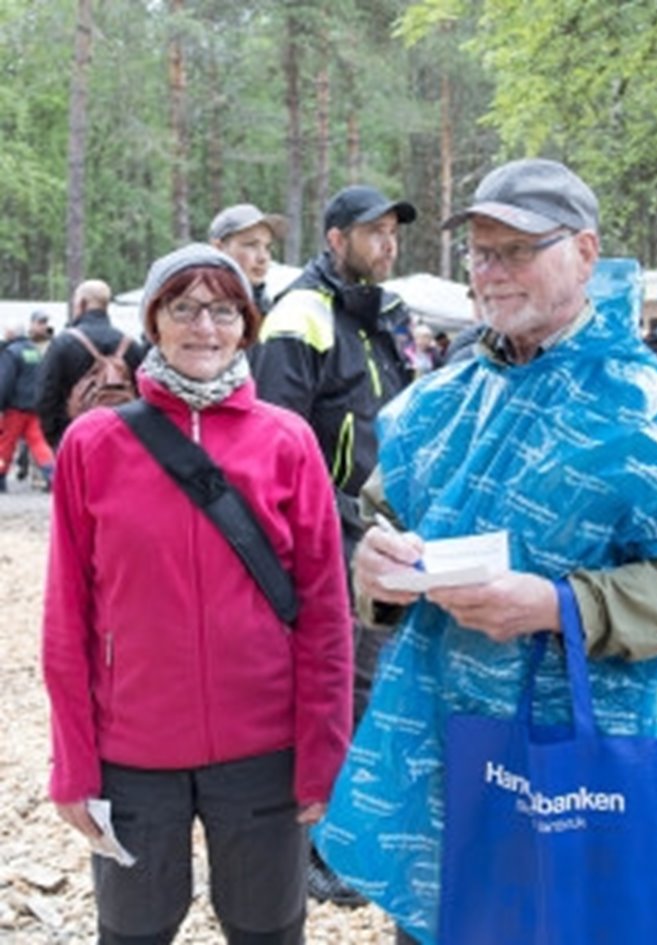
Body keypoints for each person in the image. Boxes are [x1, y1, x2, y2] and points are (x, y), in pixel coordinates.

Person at [320, 157, 657, 944]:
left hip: (591, 770)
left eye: (517, 250)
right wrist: (376, 571)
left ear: (585, 251)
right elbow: (381, 530)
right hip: (452, 757)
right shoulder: (441, 402)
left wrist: (561, 605)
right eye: (480, 252)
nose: (492, 273)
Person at [42, 244, 353, 945]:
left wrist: (323, 751)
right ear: (154, 320)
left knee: (267, 925)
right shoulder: (93, 446)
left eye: (222, 309)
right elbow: (68, 617)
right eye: (183, 307)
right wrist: (73, 761)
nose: (203, 327)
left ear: (247, 324)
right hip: (134, 750)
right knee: (134, 928)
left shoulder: (289, 442)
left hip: (264, 747)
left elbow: (326, 616)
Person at [250, 182, 415, 906]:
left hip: (386, 526)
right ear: (335, 238)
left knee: (376, 683)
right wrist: (313, 529)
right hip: (330, 529)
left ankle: (355, 829)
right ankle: (318, 846)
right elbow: (275, 437)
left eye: (393, 232)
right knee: (337, 684)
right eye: (373, 231)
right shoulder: (299, 314)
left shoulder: (386, 313)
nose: (388, 243)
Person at [37, 279, 145, 451]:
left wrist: (57, 440)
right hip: (122, 440)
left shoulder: (63, 343)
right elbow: (144, 395)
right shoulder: (132, 346)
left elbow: (46, 396)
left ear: (81, 304)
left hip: (76, 439)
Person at [0, 311, 56, 491]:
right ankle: (53, 476)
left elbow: (5, 381)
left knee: (4, 445)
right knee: (39, 444)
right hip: (35, 407)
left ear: (11, 334)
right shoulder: (34, 351)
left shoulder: (11, 352)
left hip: (15, 408)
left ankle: (0, 478)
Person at [208, 203, 289, 315]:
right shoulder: (202, 308)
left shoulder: (268, 306)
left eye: (267, 247)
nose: (263, 258)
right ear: (219, 248)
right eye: (251, 245)